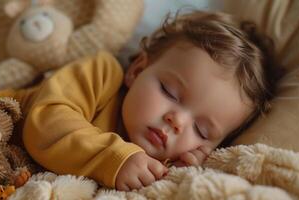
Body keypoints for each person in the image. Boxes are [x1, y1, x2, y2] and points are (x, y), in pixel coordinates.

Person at [22, 10, 277, 191]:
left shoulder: (160, 167)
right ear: (137, 70)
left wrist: (178, 171)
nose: (177, 121)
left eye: (201, 130)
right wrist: (114, 158)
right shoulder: (101, 74)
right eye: (169, 92)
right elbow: (44, 121)